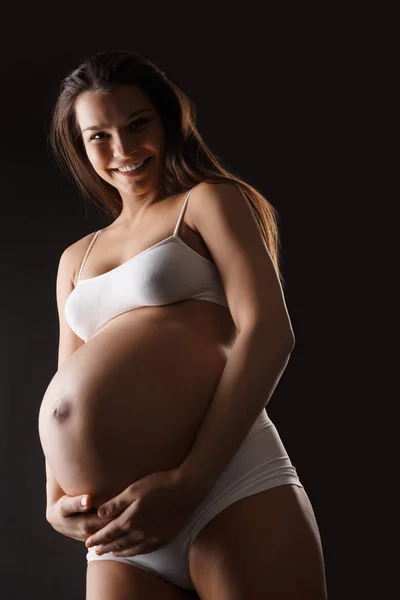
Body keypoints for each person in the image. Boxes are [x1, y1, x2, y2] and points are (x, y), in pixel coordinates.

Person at [42, 49, 328, 599]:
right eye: (98, 136)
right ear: (80, 146)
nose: (122, 149)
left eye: (137, 124)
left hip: (226, 485)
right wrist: (54, 502)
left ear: (168, 121)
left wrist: (188, 481)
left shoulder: (206, 203)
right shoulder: (75, 258)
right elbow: (65, 387)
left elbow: (269, 332)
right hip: (118, 527)